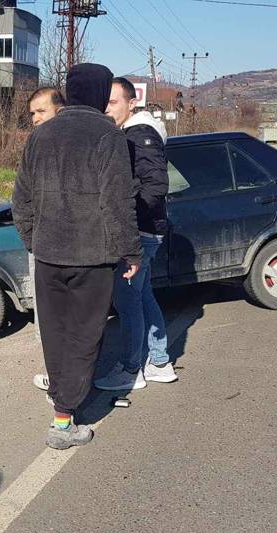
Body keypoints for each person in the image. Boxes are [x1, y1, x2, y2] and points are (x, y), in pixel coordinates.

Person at [12, 64, 141, 450]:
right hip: (92, 257)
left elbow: (21, 199)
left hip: (50, 255)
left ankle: (61, 412)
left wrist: (34, 240)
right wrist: (131, 250)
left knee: (55, 333)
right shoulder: (108, 135)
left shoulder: (41, 134)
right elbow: (117, 201)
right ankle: (64, 419)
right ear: (103, 94)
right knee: (85, 336)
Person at [90, 77, 176, 390]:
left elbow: (155, 185)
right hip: (145, 230)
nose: (107, 108)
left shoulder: (139, 135)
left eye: (113, 102)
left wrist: (126, 220)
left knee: (127, 303)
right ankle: (160, 362)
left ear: (131, 103)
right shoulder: (134, 133)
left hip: (139, 232)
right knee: (143, 296)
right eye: (105, 102)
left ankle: (130, 371)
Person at [25, 86, 65, 374]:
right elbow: (23, 197)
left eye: (42, 111)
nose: (36, 119)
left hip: (68, 243)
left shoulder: (72, 144)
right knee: (46, 312)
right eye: (32, 113)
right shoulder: (34, 145)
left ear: (60, 110)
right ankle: (55, 371)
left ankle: (63, 376)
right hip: (42, 241)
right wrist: (31, 238)